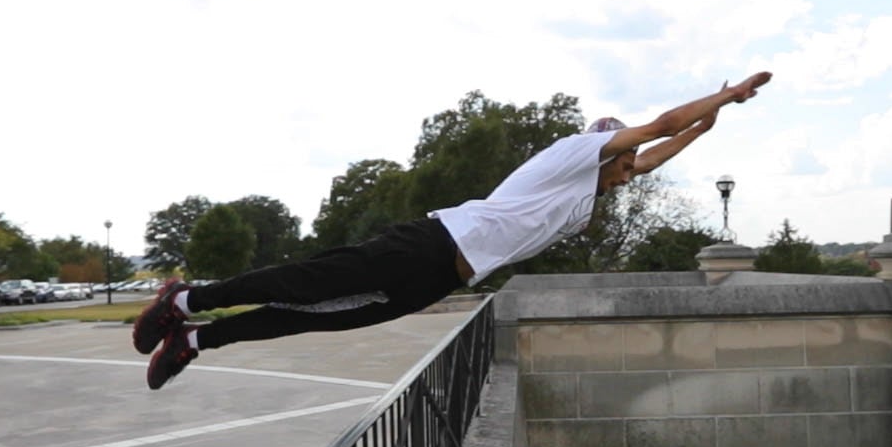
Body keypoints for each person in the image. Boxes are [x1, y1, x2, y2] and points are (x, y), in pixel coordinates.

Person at [136, 71, 772, 388]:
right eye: (627, 163)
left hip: (442, 275)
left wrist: (717, 114)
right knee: (311, 283)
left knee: (322, 313)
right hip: (434, 243)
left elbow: (666, 147)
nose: (632, 174)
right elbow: (659, 127)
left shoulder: (585, 196)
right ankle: (186, 300)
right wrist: (723, 94)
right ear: (609, 148)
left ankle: (197, 341)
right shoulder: (577, 153)